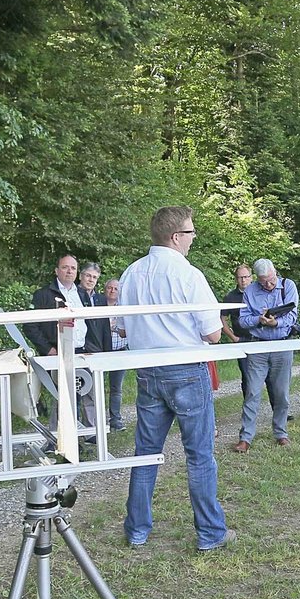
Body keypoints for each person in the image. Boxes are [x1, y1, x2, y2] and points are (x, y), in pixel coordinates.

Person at [119, 206, 233, 552]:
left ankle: (137, 530)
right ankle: (210, 533)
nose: (193, 239)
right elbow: (213, 334)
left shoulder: (131, 274)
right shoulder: (189, 275)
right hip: (185, 370)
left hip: (148, 372)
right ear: (175, 237)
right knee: (199, 456)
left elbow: (122, 328)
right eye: (191, 233)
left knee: (145, 454)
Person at [234, 258, 299, 451]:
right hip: (258, 347)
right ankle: (245, 437)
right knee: (252, 392)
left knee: (281, 394)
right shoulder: (250, 291)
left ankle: (281, 432)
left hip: (282, 345)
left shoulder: (288, 286)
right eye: (264, 282)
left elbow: (293, 315)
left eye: (271, 279)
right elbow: (242, 321)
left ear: (275, 272)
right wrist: (259, 320)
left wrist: (276, 323)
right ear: (257, 279)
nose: (269, 284)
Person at [27, 254, 89, 356]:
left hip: (82, 353)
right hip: (56, 354)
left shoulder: (83, 294)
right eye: (65, 267)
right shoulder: (43, 294)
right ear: (56, 271)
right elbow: (30, 325)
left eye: (73, 268)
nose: (69, 271)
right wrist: (47, 349)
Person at [104, 277, 129, 431]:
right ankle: (94, 421)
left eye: (115, 288)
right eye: (110, 288)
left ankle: (115, 419)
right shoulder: (97, 304)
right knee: (93, 389)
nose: (112, 291)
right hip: (101, 351)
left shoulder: (123, 307)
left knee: (116, 387)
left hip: (120, 351)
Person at [80, 261, 111, 355]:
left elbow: (105, 328)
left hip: (97, 349)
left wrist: (107, 352)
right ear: (80, 276)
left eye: (94, 277)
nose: (91, 280)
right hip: (80, 349)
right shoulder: (72, 296)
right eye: (88, 276)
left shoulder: (101, 299)